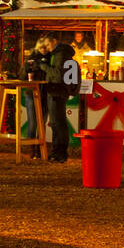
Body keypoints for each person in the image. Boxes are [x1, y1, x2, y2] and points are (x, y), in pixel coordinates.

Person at [41, 33, 77, 162]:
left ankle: (60, 153)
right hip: (57, 90)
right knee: (56, 122)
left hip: (58, 90)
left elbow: (56, 74)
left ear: (55, 41)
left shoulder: (60, 55)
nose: (47, 47)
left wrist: (43, 66)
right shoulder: (58, 54)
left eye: (48, 44)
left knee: (58, 123)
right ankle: (57, 151)